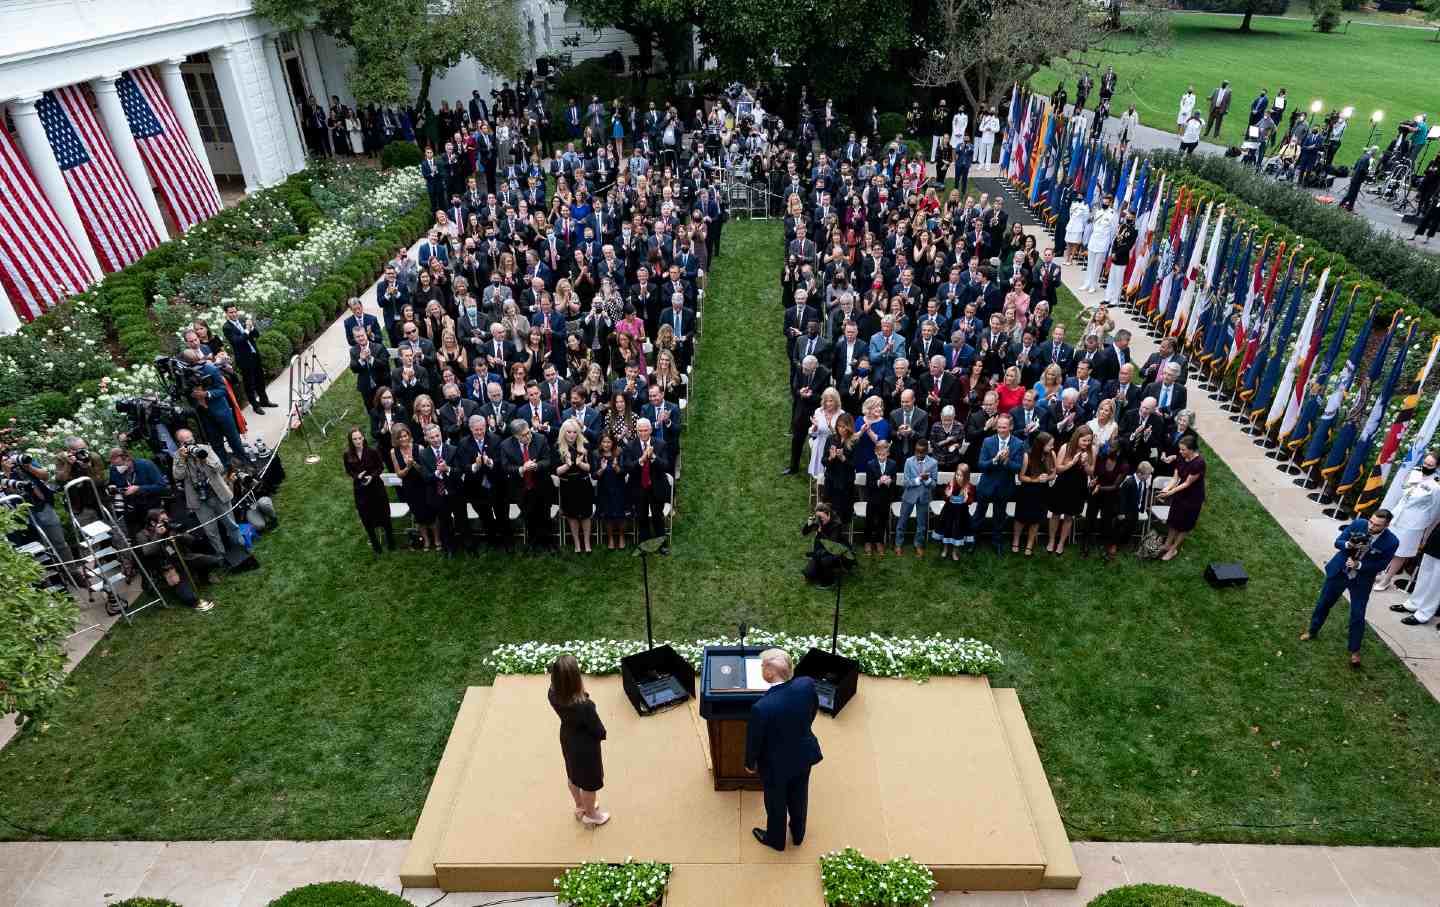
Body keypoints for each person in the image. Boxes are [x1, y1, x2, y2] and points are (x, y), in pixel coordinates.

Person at [745, 648, 823, 852]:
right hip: (803, 756)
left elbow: (755, 741)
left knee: (775, 802)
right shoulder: (806, 685)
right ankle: (798, 834)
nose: (761, 669)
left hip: (775, 765)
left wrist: (749, 763)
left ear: (770, 673)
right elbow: (812, 710)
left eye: (763, 666)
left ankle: (776, 840)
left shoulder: (761, 708)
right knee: (799, 795)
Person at [1302, 510, 1399, 668]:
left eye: (1377, 525)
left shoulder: (1392, 541)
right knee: (1324, 603)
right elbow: (1338, 542)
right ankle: (1312, 630)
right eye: (1371, 522)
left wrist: (1359, 565)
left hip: (1361, 580)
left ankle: (1354, 650)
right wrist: (1349, 544)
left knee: (1358, 614)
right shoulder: (1359, 524)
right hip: (1339, 572)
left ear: (1386, 525)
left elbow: (1381, 565)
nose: (1371, 526)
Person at [548, 653, 610, 826]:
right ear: (576, 680)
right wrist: (602, 734)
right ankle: (591, 815)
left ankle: (580, 805)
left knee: (573, 775)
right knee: (589, 783)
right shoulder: (585, 706)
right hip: (585, 747)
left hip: (567, 738)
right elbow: (597, 729)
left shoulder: (552, 694)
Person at [1372, 455, 1440, 590]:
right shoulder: (1415, 472)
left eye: (1430, 465)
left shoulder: (1437, 486)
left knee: (1401, 552)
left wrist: (1425, 529)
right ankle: (1376, 572)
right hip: (1397, 516)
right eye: (1425, 463)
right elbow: (1403, 491)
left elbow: (1435, 511)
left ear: (1437, 467)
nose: (1425, 466)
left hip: (1414, 523)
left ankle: (1386, 580)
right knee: (1386, 545)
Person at [975, 412, 1024, 553]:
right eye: (999, 427)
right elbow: (981, 465)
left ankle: (997, 542)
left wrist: (1007, 461)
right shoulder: (988, 441)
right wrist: (995, 460)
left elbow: (1017, 468)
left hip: (1004, 487)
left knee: (999, 517)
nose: (1001, 430)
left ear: (1011, 427)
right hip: (986, 486)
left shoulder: (1018, 444)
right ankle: (973, 539)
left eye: (1004, 427)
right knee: (979, 515)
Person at [343, 427, 394, 554]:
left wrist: (372, 476)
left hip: (376, 487)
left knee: (384, 515)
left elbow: (380, 467)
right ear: (351, 441)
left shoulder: (372, 451)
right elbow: (349, 470)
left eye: (359, 438)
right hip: (361, 490)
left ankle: (391, 541)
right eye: (354, 439)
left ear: (363, 438)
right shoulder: (347, 455)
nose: (358, 441)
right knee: (366, 516)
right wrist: (357, 476)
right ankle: (375, 544)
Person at [1155, 434, 1204, 560]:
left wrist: (1170, 493)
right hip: (1180, 493)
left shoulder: (1199, 463)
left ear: (1191, 449)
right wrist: (1166, 489)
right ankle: (1167, 544)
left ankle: (1173, 549)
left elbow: (1187, 483)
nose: (1180, 452)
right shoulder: (1181, 458)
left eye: (1183, 449)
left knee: (1184, 524)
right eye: (1180, 449)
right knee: (1173, 520)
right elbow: (1176, 477)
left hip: (1193, 497)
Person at [222, 305, 276, 414]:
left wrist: (252, 328)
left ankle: (264, 400)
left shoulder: (242, 321)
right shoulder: (227, 327)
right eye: (231, 312)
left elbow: (256, 335)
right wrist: (247, 330)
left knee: (260, 379)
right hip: (244, 359)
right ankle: (255, 406)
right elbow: (238, 341)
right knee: (249, 383)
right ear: (226, 314)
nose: (234, 314)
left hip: (254, 354)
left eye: (235, 311)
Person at [556, 418, 596, 553]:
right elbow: (555, 470)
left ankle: (587, 542)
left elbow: (590, 468)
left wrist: (579, 463)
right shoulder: (558, 447)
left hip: (583, 483)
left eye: (574, 432)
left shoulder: (585, 445)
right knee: (571, 515)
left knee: (585, 515)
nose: (572, 435)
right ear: (563, 433)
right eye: (568, 432)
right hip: (567, 485)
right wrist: (567, 465)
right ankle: (577, 544)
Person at [895, 438, 938, 557]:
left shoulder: (933, 463)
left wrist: (927, 480)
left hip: (924, 497)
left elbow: (934, 484)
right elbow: (905, 482)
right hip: (909, 496)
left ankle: (918, 544)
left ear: (926, 452)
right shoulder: (909, 461)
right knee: (902, 521)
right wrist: (918, 480)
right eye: (917, 451)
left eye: (922, 452)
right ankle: (898, 543)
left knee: (921, 524)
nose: (919, 454)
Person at [801, 502, 851, 585]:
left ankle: (828, 580)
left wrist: (820, 533)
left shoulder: (836, 524)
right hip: (821, 549)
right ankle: (813, 571)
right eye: (818, 517)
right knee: (810, 572)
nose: (820, 519)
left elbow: (831, 544)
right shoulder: (820, 520)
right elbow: (804, 533)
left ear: (827, 514)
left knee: (824, 560)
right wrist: (808, 524)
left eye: (821, 517)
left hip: (835, 550)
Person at [1339, 146, 1377, 212]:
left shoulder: (1363, 156)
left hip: (1355, 177)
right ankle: (1342, 205)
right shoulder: (1367, 158)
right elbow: (1363, 169)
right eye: (1375, 153)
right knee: (1351, 193)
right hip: (1358, 178)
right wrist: (1368, 172)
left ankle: (1349, 207)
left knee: (1353, 194)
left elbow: (1356, 165)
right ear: (1373, 152)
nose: (1375, 155)